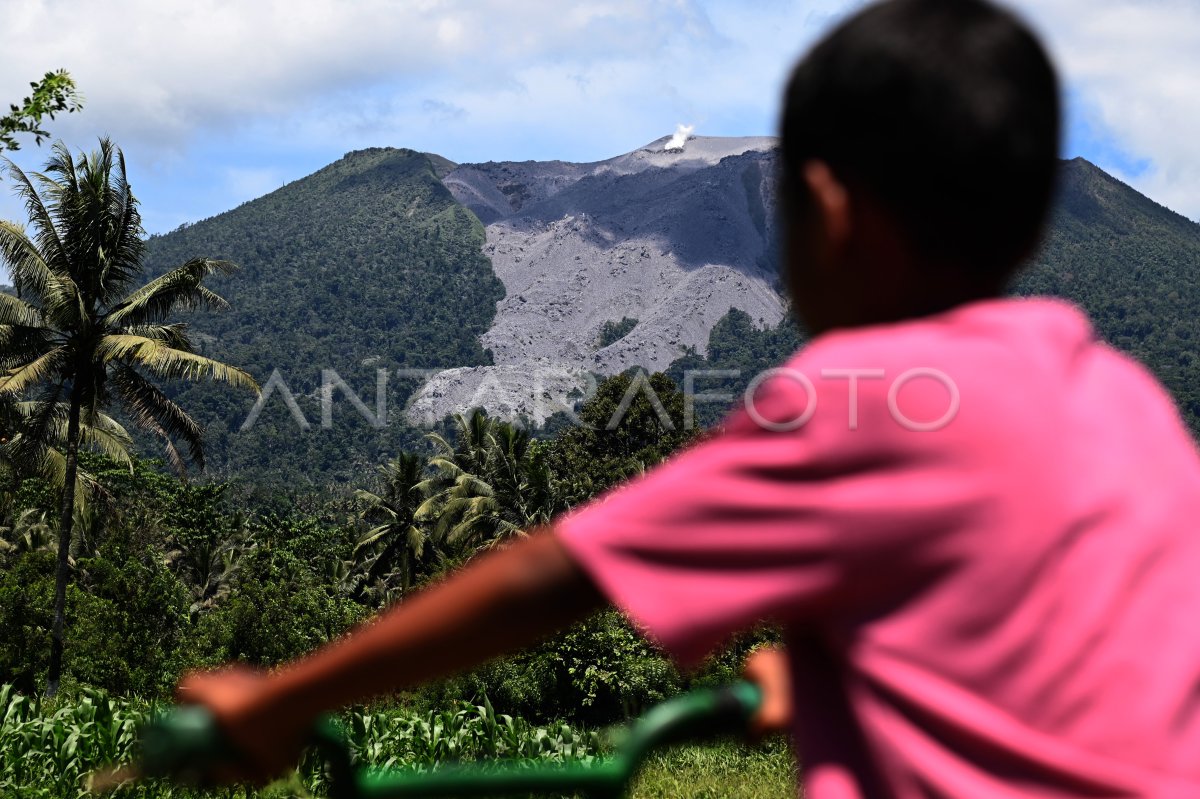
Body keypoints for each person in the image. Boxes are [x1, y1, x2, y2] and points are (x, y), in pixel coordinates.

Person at [180, 0, 1200, 796]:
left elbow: (556, 573)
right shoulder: (1125, 403)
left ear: (827, 211)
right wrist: (845, 667)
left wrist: (282, 701)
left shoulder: (866, 395)